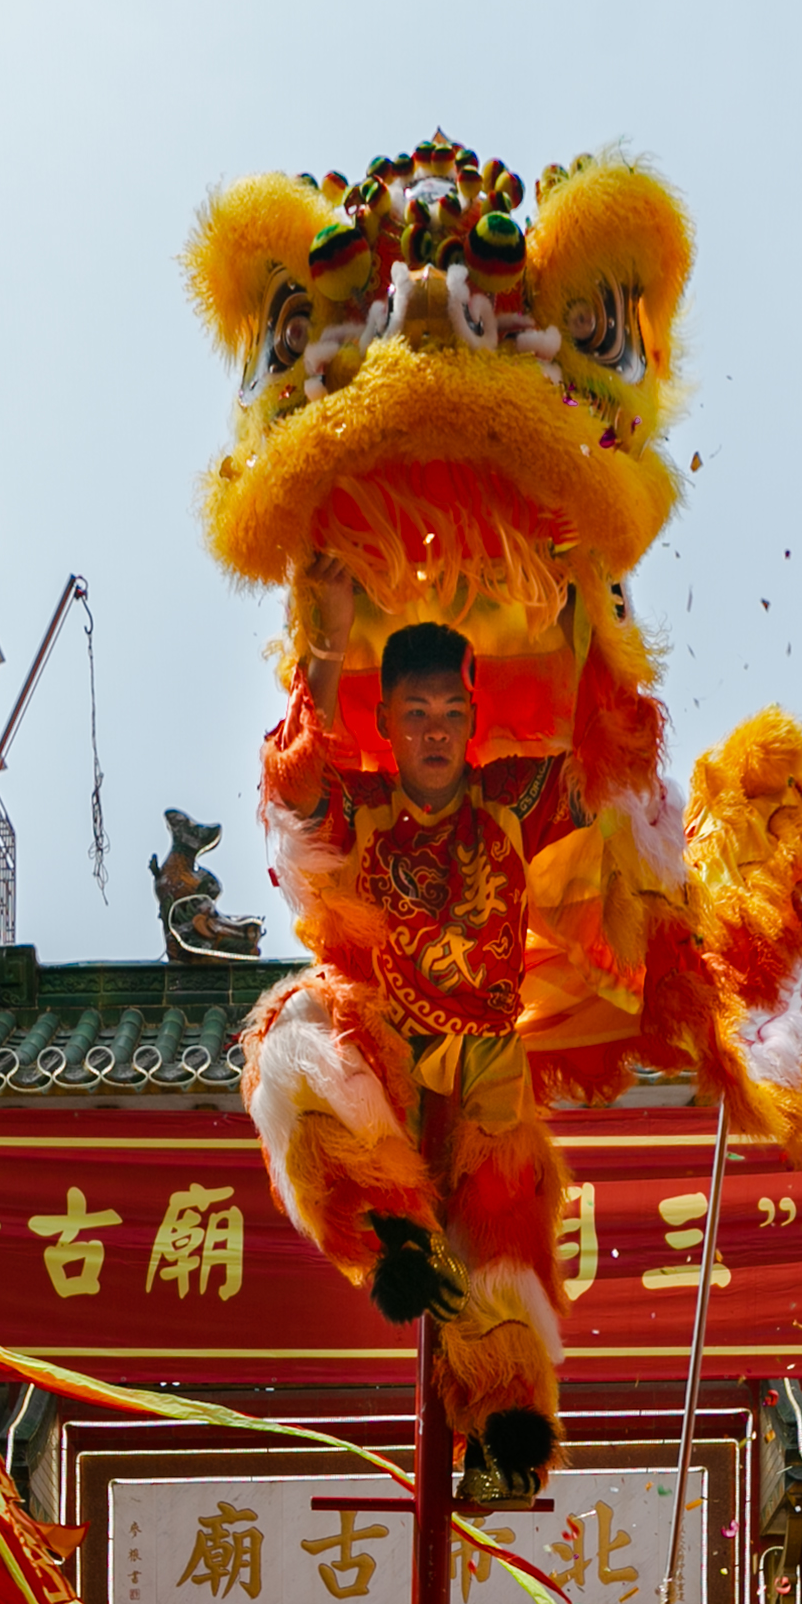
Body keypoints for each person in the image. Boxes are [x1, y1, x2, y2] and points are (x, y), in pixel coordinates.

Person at [242, 557, 587, 1492]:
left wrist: (586, 612)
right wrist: (324, 640)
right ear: (387, 722)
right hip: (385, 1054)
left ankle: (507, 1418)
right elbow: (290, 788)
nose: (434, 730)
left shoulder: (511, 799)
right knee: (292, 1038)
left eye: (450, 713)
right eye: (415, 713)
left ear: (471, 721)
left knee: (507, 1222)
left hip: (486, 1071)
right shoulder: (360, 808)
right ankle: (392, 1235)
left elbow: (597, 756)